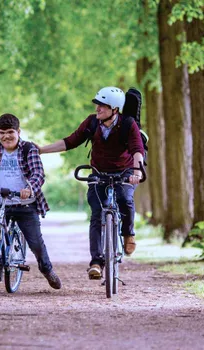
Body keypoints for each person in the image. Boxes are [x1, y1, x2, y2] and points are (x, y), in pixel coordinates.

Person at [37, 87, 145, 280]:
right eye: (97, 105)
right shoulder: (92, 122)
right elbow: (70, 142)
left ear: (115, 109)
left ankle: (128, 233)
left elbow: (137, 150)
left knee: (125, 198)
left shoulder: (128, 124)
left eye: (102, 106)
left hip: (126, 171)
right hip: (98, 172)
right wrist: (42, 150)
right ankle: (96, 262)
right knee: (96, 213)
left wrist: (136, 171)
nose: (97, 109)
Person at [0, 113, 62, 289]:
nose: (6, 136)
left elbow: (38, 174)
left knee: (35, 243)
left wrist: (29, 189)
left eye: (10, 132)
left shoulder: (29, 149)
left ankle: (47, 269)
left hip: (25, 204)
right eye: (1, 132)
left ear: (18, 131)